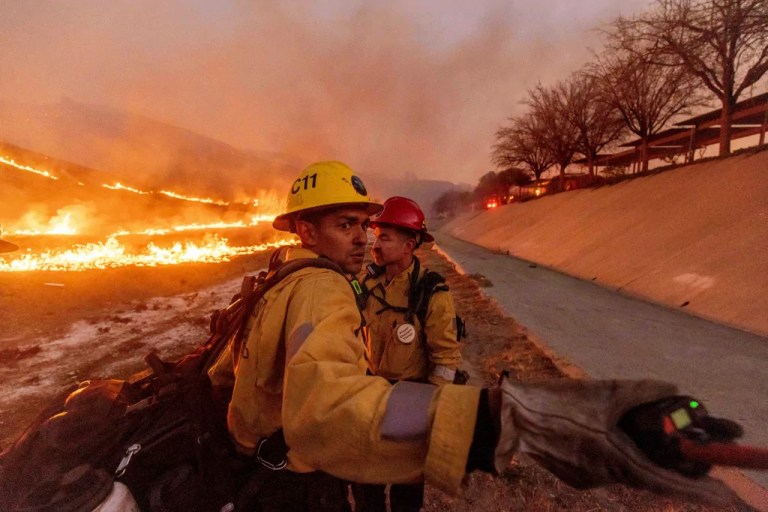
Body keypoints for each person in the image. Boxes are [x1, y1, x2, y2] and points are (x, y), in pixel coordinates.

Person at [213, 160, 738, 511]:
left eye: (366, 226)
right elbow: (331, 406)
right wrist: (501, 418)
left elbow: (236, 380)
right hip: (295, 476)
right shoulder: (321, 290)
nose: (364, 239)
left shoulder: (280, 281)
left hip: (285, 461)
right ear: (305, 231)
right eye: (346, 225)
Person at [353, 196, 463, 512]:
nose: (375, 243)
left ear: (408, 245)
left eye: (385, 237)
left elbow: (445, 360)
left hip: (411, 401)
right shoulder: (367, 282)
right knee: (367, 488)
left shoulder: (432, 292)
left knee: (405, 493)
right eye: (376, 235)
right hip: (370, 397)